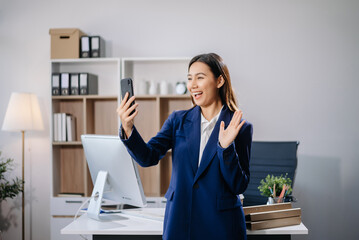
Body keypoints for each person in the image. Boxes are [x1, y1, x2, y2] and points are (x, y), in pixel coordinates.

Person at [117, 53, 253, 240]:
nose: (192, 85)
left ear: (219, 80)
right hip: (181, 222)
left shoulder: (239, 127)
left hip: (221, 226)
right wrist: (128, 127)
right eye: (189, 78)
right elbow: (147, 157)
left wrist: (226, 148)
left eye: (200, 77)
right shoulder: (177, 120)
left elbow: (239, 185)